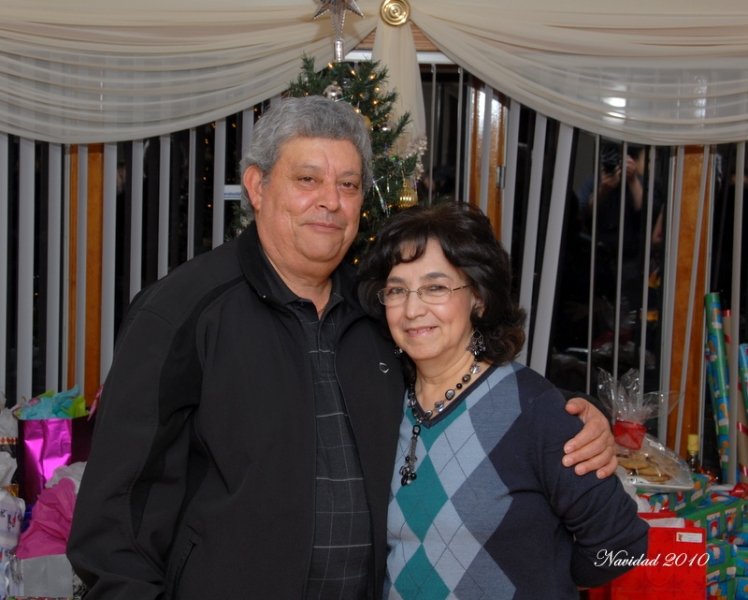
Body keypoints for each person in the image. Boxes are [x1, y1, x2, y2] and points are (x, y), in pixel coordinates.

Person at [67, 96, 616, 599]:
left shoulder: (379, 310)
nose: (330, 201)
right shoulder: (182, 312)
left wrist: (574, 415)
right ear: (257, 187)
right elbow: (116, 513)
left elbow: (461, 381)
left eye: (349, 185)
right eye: (308, 179)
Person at [357, 202, 649, 599]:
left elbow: (622, 544)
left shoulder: (535, 411)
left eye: (435, 287)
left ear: (478, 297)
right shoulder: (385, 402)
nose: (412, 309)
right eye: (397, 290)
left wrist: (548, 578)